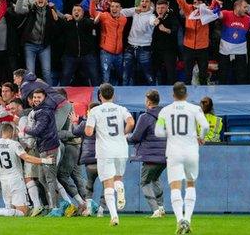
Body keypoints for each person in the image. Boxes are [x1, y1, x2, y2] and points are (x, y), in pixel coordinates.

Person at [155, 82, 209, 234]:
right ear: (186, 95)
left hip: (173, 152)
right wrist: (201, 137)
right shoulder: (195, 109)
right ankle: (188, 220)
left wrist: (171, 133)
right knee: (191, 184)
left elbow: (158, 132)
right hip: (191, 151)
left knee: (175, 186)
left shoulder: (165, 111)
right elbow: (205, 126)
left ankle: (180, 220)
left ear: (173, 95)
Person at [85, 83, 135, 226]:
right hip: (121, 149)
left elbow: (88, 132)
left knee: (107, 183)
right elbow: (131, 122)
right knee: (118, 178)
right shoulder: (121, 109)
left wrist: (92, 127)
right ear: (113, 95)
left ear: (100, 96)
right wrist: (124, 132)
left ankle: (114, 216)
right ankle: (120, 188)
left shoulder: (95, 111)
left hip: (105, 151)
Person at [126, 89, 166, 218]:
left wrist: (126, 136)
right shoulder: (166, 115)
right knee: (155, 178)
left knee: (145, 182)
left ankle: (155, 210)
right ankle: (161, 207)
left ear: (148, 101)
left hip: (150, 156)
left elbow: (136, 137)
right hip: (165, 156)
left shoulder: (145, 117)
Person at [22, 89, 62, 214]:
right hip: (43, 147)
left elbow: (37, 130)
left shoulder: (43, 111)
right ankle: (58, 204)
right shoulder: (40, 110)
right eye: (34, 97)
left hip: (50, 148)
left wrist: (24, 128)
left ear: (44, 98)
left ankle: (55, 208)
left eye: (39, 97)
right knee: (42, 178)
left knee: (50, 179)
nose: (36, 99)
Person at [15, 0, 58, 86]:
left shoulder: (50, 10)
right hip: (30, 45)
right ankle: (31, 93)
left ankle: (50, 94)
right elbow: (18, 10)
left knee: (47, 72)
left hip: (44, 45)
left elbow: (60, 17)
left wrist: (67, 16)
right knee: (30, 72)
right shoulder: (31, 8)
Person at [174, 0, 210, 85]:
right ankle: (186, 97)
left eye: (199, 2)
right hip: (188, 47)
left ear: (204, 3)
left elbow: (215, 10)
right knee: (187, 75)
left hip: (203, 48)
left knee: (203, 75)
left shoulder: (207, 12)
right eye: (195, 2)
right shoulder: (189, 10)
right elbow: (182, 3)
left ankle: (204, 97)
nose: (197, 4)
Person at [59, 4, 100, 86]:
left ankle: (98, 95)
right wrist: (64, 16)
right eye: (74, 10)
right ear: (71, 13)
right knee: (65, 76)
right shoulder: (67, 23)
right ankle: (61, 96)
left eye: (79, 10)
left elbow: (95, 27)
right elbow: (57, 19)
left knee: (94, 76)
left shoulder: (88, 22)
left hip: (87, 55)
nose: (76, 12)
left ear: (83, 13)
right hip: (70, 56)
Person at [90, 0, 128, 85]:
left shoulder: (124, 19)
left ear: (120, 9)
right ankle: (104, 96)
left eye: (116, 7)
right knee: (105, 77)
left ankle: (121, 94)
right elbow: (93, 14)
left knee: (121, 75)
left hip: (119, 53)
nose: (114, 9)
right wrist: (93, 1)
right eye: (112, 7)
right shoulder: (104, 16)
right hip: (106, 52)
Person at [121, 0, 157, 86]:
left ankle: (154, 96)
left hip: (144, 48)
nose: (144, 3)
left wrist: (155, 22)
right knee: (126, 75)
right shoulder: (135, 12)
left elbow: (153, 21)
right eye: (142, 1)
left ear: (151, 4)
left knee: (148, 74)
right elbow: (121, 12)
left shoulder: (151, 15)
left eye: (147, 1)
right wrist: (134, 9)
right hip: (130, 47)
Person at [216, 0, 250, 84]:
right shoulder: (226, 13)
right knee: (222, 76)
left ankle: (241, 96)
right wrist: (217, 6)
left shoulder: (248, 19)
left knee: (241, 77)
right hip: (225, 50)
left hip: (240, 51)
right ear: (237, 7)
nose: (247, 9)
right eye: (244, 7)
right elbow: (217, 15)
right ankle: (221, 96)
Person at [151, 0, 178, 85]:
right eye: (158, 8)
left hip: (169, 49)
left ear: (167, 8)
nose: (160, 10)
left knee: (171, 72)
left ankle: (172, 93)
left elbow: (175, 30)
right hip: (156, 49)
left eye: (162, 8)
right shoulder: (153, 16)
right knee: (156, 72)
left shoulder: (172, 16)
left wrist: (166, 30)